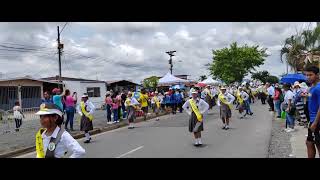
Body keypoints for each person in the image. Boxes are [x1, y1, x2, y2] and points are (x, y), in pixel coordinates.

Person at [304, 66, 320, 158]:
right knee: (309, 143)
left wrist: (315, 122)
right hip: (312, 120)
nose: (308, 77)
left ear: (317, 75)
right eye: (307, 75)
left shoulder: (318, 88)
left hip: (316, 121)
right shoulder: (312, 88)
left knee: (318, 144)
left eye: (310, 75)